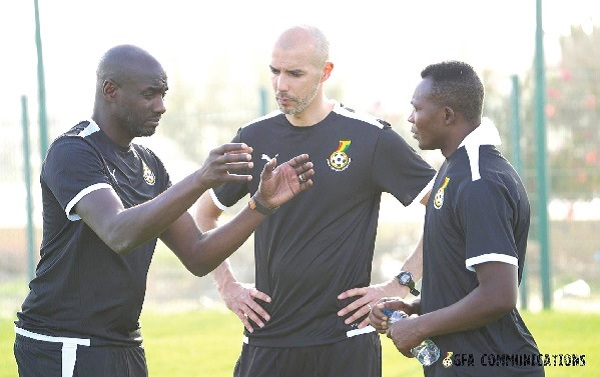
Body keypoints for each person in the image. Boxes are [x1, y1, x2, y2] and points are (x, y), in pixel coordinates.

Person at [13, 44, 315, 377]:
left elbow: (198, 256)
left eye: (163, 94)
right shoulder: (74, 151)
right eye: (149, 95)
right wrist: (200, 179)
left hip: (122, 343)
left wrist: (259, 206)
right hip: (65, 343)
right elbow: (118, 232)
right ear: (110, 91)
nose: (160, 106)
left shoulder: (149, 165)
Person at [194, 25, 436, 377]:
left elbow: (445, 210)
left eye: (294, 73)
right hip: (268, 339)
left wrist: (400, 283)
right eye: (275, 71)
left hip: (347, 341)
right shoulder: (253, 137)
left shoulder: (370, 138)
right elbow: (204, 214)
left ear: (325, 73)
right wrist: (227, 287)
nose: (281, 85)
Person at [369, 61, 544, 376]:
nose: (410, 118)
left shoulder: (480, 181)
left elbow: (498, 295)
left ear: (447, 115)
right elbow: (463, 285)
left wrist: (419, 326)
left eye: (417, 108)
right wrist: (412, 308)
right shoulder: (455, 168)